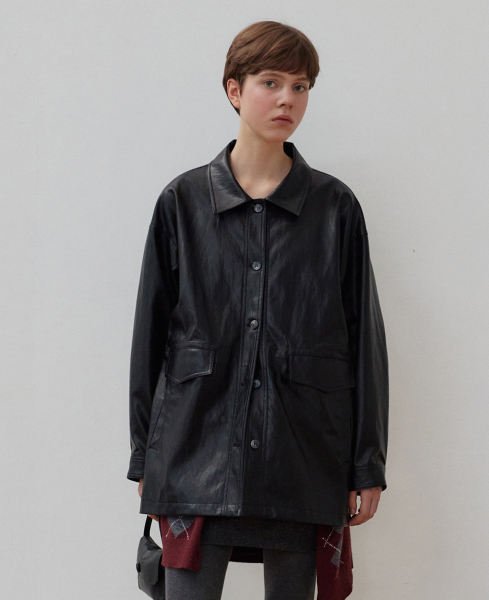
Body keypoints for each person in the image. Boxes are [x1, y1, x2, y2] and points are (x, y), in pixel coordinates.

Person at [128, 20, 389, 600]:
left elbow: (364, 345)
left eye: (300, 87)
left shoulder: (335, 208)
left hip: (302, 459)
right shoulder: (182, 202)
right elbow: (150, 336)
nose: (287, 100)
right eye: (271, 82)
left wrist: (366, 465)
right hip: (192, 454)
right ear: (234, 90)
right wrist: (144, 454)